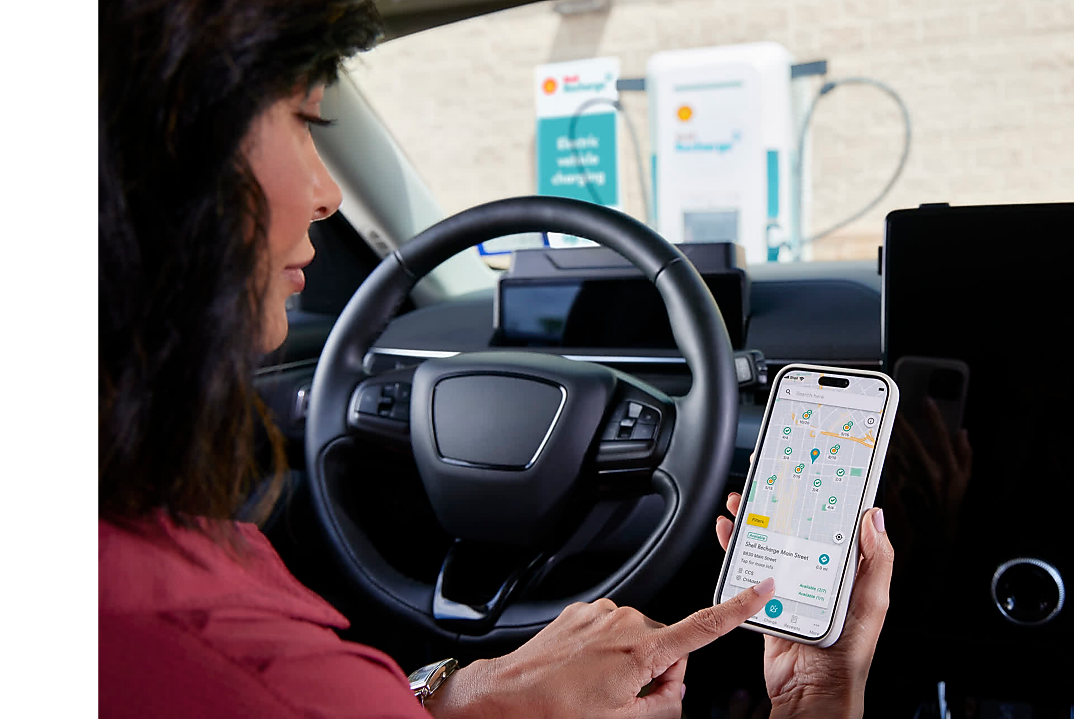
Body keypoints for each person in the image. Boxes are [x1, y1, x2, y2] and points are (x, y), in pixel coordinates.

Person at [98, 1, 895, 717]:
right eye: (306, 119)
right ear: (164, 172)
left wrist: (464, 694)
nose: (328, 192)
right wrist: (820, 694)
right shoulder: (248, 665)